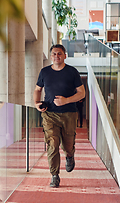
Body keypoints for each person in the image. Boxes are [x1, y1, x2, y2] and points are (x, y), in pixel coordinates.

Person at [33, 44, 85, 188]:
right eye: (54, 54)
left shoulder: (72, 72)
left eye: (60, 54)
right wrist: (36, 103)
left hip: (69, 114)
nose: (57, 56)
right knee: (53, 143)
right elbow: (37, 89)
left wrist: (66, 100)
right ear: (51, 57)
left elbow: (82, 93)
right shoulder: (44, 72)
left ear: (65, 56)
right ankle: (54, 175)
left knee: (67, 144)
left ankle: (70, 155)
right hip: (50, 114)